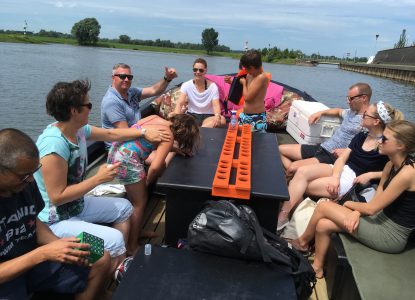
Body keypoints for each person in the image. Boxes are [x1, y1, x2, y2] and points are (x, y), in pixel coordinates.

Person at [34, 80, 151, 272]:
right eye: (88, 105)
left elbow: (111, 134)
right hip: (55, 219)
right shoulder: (54, 146)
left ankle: (115, 263)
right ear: (74, 111)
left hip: (75, 205)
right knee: (114, 239)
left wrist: (144, 132)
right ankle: (113, 272)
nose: (91, 108)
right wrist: (98, 179)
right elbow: (57, 196)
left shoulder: (78, 130)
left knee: (125, 208)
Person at [289, 120, 415, 279]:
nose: (379, 141)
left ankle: (302, 243)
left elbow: (371, 208)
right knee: (323, 224)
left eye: (385, 139)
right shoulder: (390, 165)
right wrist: (357, 211)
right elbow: (377, 201)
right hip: (379, 217)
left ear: (400, 146)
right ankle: (317, 268)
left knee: (324, 208)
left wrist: (347, 203)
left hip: (391, 234)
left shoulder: (408, 173)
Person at [0, 128, 111, 300]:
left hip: (32, 258)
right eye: (23, 176)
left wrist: (60, 245)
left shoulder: (25, 183)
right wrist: (42, 254)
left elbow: (32, 220)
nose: (31, 180)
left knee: (99, 254)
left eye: (33, 172)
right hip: (7, 276)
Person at [277, 101, 404, 231]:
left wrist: (372, 174)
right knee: (302, 172)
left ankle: (289, 218)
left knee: (304, 185)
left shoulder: (385, 146)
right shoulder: (362, 136)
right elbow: (342, 158)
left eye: (366, 114)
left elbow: (398, 172)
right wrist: (335, 177)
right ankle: (285, 217)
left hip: (352, 181)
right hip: (341, 170)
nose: (362, 116)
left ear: (376, 121)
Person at [107, 114, 200, 252]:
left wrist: (173, 149)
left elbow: (141, 137)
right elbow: (156, 167)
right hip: (127, 160)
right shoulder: (168, 136)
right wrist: (148, 182)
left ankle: (137, 230)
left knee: (135, 200)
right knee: (140, 202)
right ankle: (132, 246)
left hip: (115, 152)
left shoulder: (154, 118)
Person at [280, 82, 372, 177]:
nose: (348, 101)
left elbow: (369, 148)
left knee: (292, 168)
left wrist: (346, 151)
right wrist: (320, 113)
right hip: (323, 147)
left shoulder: (369, 121)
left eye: (351, 98)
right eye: (348, 98)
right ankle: (293, 176)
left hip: (332, 156)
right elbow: (338, 111)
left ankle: (293, 176)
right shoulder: (351, 112)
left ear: (364, 98)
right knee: (280, 149)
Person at [101, 63, 176, 148]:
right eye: (122, 76)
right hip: (120, 147)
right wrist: (147, 133)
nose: (126, 79)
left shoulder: (132, 92)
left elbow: (154, 90)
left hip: (136, 136)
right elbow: (125, 133)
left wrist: (167, 78)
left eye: (129, 77)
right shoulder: (111, 101)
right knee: (168, 147)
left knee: (166, 131)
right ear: (113, 77)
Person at [170, 58, 226, 128]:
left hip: (208, 116)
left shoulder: (213, 86)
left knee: (222, 120)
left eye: (201, 70)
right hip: (191, 115)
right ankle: (201, 129)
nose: (198, 72)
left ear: (205, 71)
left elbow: (216, 105)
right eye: (195, 70)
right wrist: (176, 118)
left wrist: (217, 116)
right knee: (172, 117)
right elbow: (180, 103)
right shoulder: (186, 85)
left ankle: (199, 129)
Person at [237, 49, 269, 132]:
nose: (245, 71)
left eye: (246, 68)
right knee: (243, 141)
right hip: (245, 115)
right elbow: (246, 90)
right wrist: (231, 82)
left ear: (251, 67)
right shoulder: (249, 75)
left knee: (256, 142)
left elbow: (247, 98)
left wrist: (244, 83)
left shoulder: (261, 77)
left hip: (256, 117)